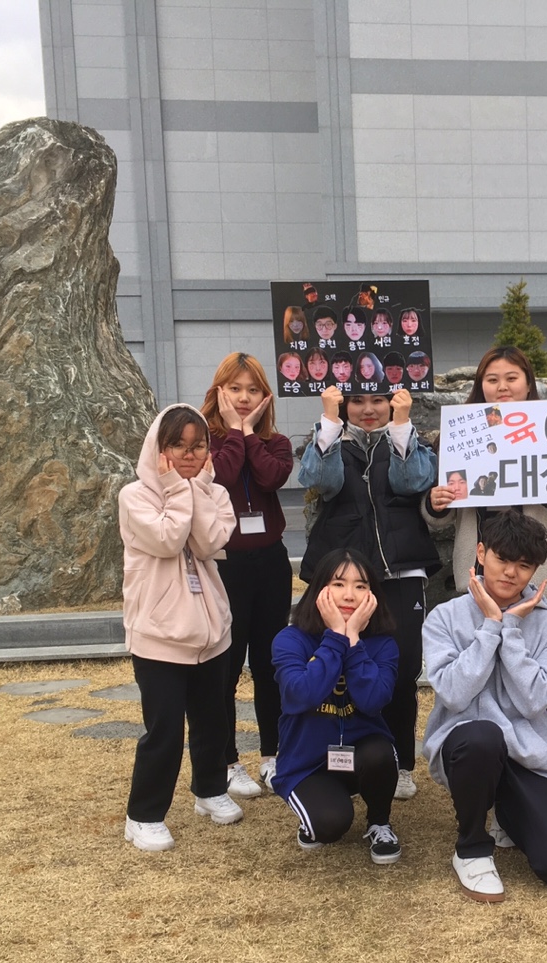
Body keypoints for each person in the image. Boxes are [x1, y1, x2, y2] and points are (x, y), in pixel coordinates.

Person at [422, 510, 547, 902]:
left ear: (536, 571)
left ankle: (507, 812)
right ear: (481, 554)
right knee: (482, 737)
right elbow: (453, 694)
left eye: (524, 565)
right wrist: (490, 627)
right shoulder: (445, 617)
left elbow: (534, 703)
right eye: (502, 559)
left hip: (525, 754)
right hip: (468, 747)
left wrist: (511, 630)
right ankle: (471, 849)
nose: (511, 573)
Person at [299, 385, 440, 800]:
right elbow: (318, 481)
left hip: (401, 573)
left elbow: (413, 481)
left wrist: (401, 425)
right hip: (344, 577)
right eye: (357, 401)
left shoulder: (409, 439)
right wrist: (329, 421)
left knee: (402, 671)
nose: (368, 409)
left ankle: (401, 763)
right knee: (342, 666)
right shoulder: (330, 440)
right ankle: (347, 762)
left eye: (378, 400)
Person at [120, 404, 242, 851]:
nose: (189, 456)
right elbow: (168, 539)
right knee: (165, 730)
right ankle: (143, 815)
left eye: (198, 446)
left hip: (210, 632)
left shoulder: (215, 493)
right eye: (178, 446)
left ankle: (209, 790)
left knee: (212, 721)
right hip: (158, 636)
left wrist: (197, 491)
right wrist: (176, 488)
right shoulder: (134, 496)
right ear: (159, 448)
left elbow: (208, 543)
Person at [424, 346, 547, 612]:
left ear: (528, 382)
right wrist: (436, 503)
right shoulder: (463, 433)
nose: (502, 387)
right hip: (480, 572)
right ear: (480, 385)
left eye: (511, 378)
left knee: (542, 638)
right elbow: (441, 509)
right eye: (492, 379)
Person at [269, 549, 403, 863]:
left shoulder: (383, 644)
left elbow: (373, 701)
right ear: (320, 589)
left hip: (361, 755)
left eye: (361, 586)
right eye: (338, 584)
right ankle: (317, 809)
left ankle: (379, 823)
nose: (349, 595)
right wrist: (335, 637)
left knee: (380, 752)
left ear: (372, 596)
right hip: (308, 763)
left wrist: (353, 640)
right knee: (329, 826)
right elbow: (302, 695)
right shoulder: (291, 640)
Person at [201, 352, 295, 797]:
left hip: (271, 563)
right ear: (219, 391)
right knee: (225, 664)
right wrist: (235, 433)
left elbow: (272, 477)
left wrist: (250, 434)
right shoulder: (204, 443)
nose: (243, 397)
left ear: (265, 396)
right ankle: (227, 761)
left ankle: (274, 756)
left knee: (270, 662)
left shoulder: (275, 442)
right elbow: (220, 475)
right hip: (225, 565)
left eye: (253, 390)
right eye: (235, 388)